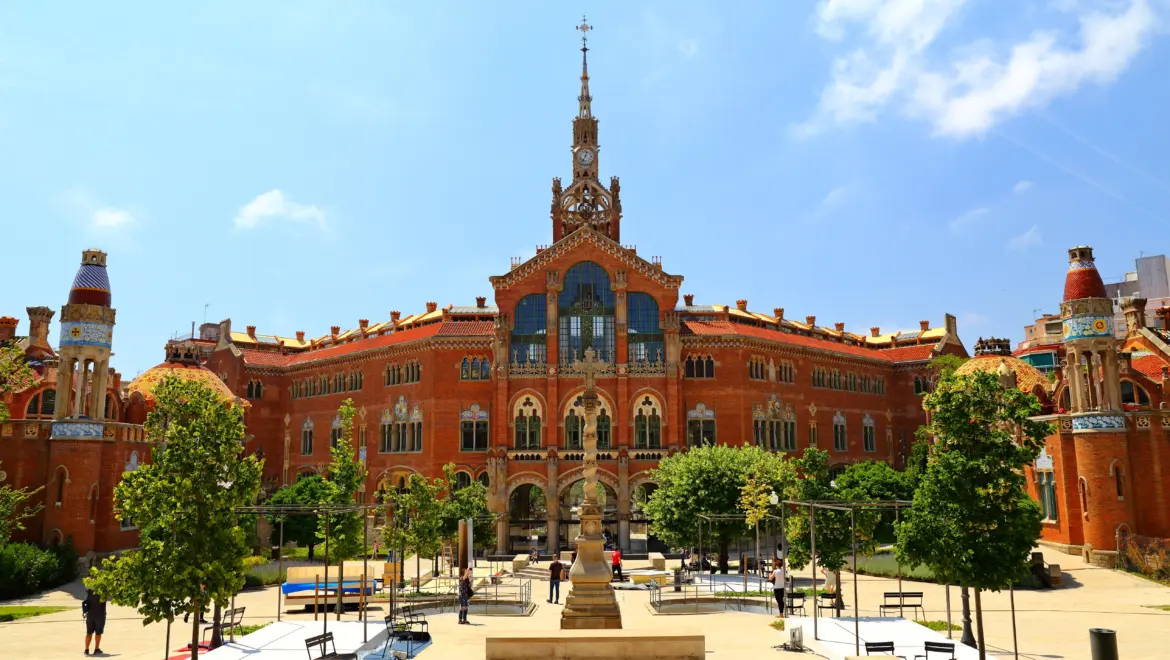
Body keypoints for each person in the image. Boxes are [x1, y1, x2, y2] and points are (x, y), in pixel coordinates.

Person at [82, 588, 107, 656]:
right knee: (98, 633)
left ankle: (86, 649)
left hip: (90, 615)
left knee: (89, 633)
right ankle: (96, 649)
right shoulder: (103, 592)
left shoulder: (89, 592)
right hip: (100, 615)